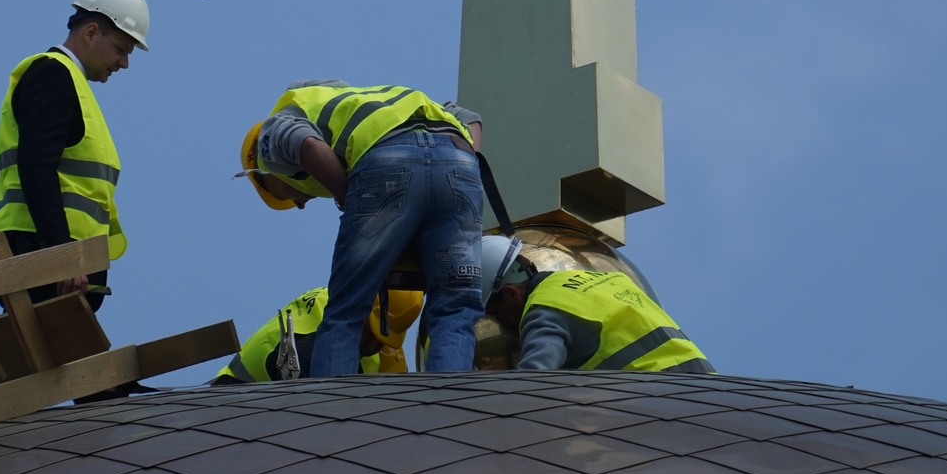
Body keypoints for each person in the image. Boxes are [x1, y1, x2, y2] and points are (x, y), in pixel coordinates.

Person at [237, 83, 486, 374]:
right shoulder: (369, 101)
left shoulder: (270, 133)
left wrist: (349, 198)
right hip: (459, 159)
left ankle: (332, 408)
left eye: (281, 195)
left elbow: (307, 145)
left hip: (387, 160)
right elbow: (469, 118)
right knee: (457, 307)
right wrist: (463, 164)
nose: (299, 202)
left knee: (346, 310)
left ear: (263, 172)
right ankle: (448, 405)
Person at [0, 0, 149, 313]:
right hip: (43, 260)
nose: (124, 63)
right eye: (121, 48)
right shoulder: (53, 74)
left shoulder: (70, 83)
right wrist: (63, 257)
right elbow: (37, 167)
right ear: (91, 33)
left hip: (54, 263)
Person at [473, 234, 715, 373]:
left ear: (511, 294)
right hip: (707, 387)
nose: (501, 325)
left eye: (494, 314)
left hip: (657, 398)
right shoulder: (607, 278)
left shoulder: (545, 312)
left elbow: (533, 379)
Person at [212, 287, 422, 384]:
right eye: (370, 332)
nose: (373, 343)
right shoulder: (310, 351)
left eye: (383, 338)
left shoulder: (372, 317)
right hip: (230, 408)